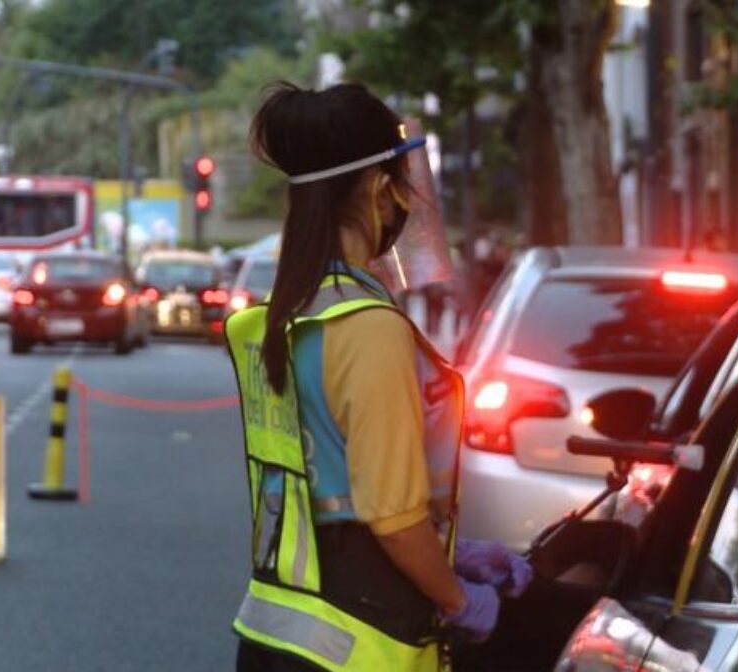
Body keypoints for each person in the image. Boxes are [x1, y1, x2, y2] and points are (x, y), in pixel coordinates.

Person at [227, 82, 532, 671]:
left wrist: (453, 554)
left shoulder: (292, 312)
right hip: (360, 641)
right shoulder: (368, 327)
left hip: (275, 635)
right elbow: (391, 518)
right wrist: (460, 598)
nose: (404, 206)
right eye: (400, 185)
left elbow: (323, 491)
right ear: (375, 187)